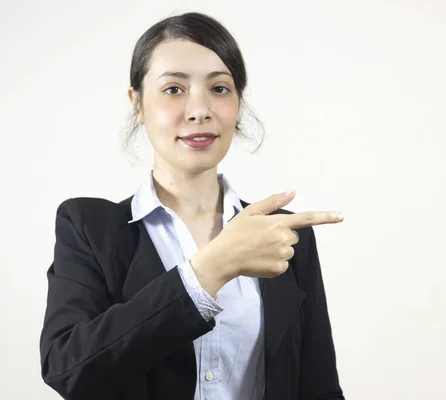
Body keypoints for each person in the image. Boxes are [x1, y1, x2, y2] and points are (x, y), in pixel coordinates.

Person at [39, 11, 345, 400]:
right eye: (173, 89)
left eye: (219, 89)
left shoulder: (279, 234)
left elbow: (319, 387)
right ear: (136, 103)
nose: (200, 110)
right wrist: (211, 269)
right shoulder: (89, 227)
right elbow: (68, 369)